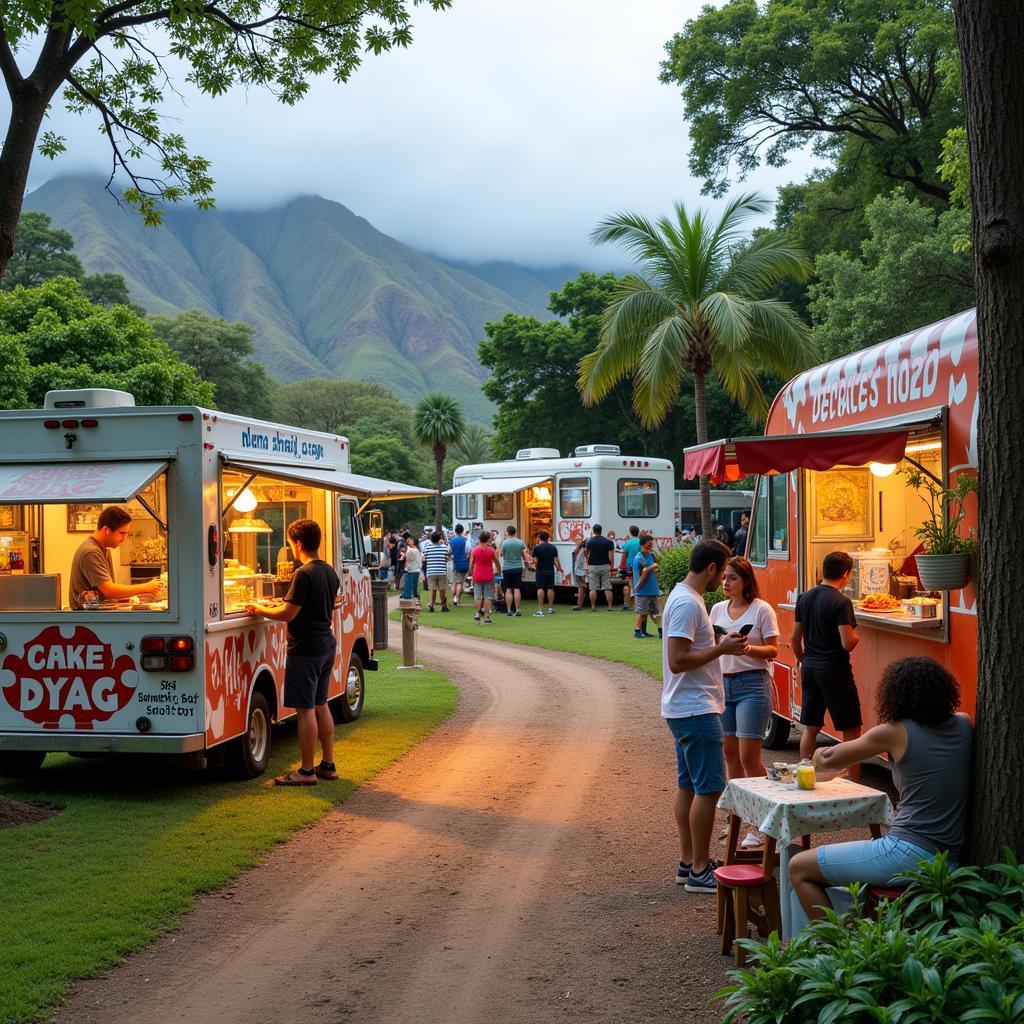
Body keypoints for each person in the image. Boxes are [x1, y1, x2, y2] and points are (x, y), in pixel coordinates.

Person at [789, 657, 973, 922]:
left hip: (907, 852)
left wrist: (816, 753)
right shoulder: (964, 723)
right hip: (950, 856)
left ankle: (844, 948)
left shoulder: (894, 732)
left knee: (798, 867)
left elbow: (829, 759)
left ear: (894, 694)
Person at [662, 539, 748, 893]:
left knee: (689, 786)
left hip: (684, 707)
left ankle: (688, 863)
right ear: (711, 568)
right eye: (722, 571)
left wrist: (715, 638)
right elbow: (677, 660)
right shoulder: (687, 602)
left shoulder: (685, 597)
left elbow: (688, 647)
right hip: (695, 707)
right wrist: (722, 648)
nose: (723, 579)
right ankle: (699, 870)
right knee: (709, 790)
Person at [245, 519, 341, 786]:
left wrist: (258, 608)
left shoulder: (304, 574)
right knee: (321, 704)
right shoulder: (329, 571)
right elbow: (325, 605)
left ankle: (307, 771)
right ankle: (328, 764)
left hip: (306, 648)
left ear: (297, 543)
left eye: (290, 543)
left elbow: (288, 613)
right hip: (325, 643)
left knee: (305, 709)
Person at [710, 556, 780, 850]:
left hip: (752, 683)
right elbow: (712, 646)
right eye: (724, 577)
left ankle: (760, 824)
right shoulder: (716, 609)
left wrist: (747, 648)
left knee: (749, 756)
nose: (726, 583)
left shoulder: (761, 609)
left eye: (732, 578)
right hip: (723, 684)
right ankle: (738, 815)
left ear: (746, 581)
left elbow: (773, 650)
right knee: (729, 754)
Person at [792, 551, 862, 780]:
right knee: (850, 729)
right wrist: (857, 637)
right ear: (846, 574)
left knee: (811, 726)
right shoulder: (841, 602)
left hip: (810, 666)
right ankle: (854, 781)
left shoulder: (805, 597)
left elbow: (794, 638)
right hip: (834, 669)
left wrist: (802, 658)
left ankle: (805, 774)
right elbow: (847, 642)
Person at [70, 505, 162, 609]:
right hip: (87, 617)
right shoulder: (91, 552)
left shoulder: (103, 549)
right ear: (106, 530)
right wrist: (145, 587)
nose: (124, 538)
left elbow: (106, 594)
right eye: (122, 533)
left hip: (95, 610)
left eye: (127, 534)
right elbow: (109, 591)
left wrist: (127, 598)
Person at [631, 533, 662, 639]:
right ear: (642, 545)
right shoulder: (639, 557)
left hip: (653, 589)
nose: (651, 547)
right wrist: (653, 566)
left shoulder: (651, 555)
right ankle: (637, 631)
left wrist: (655, 566)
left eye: (651, 544)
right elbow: (646, 571)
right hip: (642, 590)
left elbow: (654, 567)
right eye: (649, 545)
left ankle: (659, 630)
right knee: (641, 612)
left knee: (655, 612)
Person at [469, 529, 501, 623]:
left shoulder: (474, 550)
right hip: (488, 574)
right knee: (488, 596)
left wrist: (469, 572)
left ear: (479, 539)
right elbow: (496, 562)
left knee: (478, 596)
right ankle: (487, 617)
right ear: (488, 540)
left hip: (477, 574)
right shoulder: (491, 550)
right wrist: (499, 571)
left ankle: (477, 614)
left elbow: (471, 564)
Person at [530, 529, 563, 616]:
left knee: (540, 588)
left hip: (540, 570)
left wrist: (532, 561)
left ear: (539, 538)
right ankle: (550, 608)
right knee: (550, 588)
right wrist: (559, 568)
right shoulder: (553, 548)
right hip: (550, 570)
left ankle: (540, 609)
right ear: (548, 538)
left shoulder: (537, 548)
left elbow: (536, 561)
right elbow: (556, 560)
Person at [584, 523, 616, 611]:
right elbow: (611, 556)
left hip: (593, 566)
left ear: (593, 531)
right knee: (607, 588)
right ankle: (609, 606)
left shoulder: (590, 541)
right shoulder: (607, 541)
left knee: (593, 588)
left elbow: (585, 552)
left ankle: (593, 606)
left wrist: (587, 560)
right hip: (605, 566)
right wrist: (611, 566)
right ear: (601, 531)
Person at [499, 525, 527, 617]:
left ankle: (509, 610)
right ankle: (518, 609)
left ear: (507, 532)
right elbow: (523, 554)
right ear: (515, 532)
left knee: (508, 589)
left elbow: (501, 554)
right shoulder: (520, 542)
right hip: (518, 567)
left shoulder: (504, 543)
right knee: (517, 588)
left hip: (507, 568)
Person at [422, 529, 451, 612]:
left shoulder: (428, 548)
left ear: (431, 539)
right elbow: (447, 558)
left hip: (431, 571)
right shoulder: (444, 548)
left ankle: (431, 604)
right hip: (442, 571)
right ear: (440, 538)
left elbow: (424, 558)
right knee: (442, 589)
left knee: (432, 589)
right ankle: (443, 605)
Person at [619, 524, 641, 612]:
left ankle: (626, 605)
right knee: (640, 584)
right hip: (640, 566)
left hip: (630, 567)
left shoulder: (628, 543)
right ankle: (639, 605)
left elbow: (624, 556)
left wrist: (621, 566)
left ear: (630, 533)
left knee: (628, 585)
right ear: (638, 532)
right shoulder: (641, 542)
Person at [449, 523, 470, 607]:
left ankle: (454, 598)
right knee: (460, 582)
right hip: (464, 563)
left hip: (454, 563)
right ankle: (457, 599)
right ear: (462, 531)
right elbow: (468, 553)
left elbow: (449, 553)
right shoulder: (466, 541)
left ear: (455, 531)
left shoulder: (451, 541)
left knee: (454, 582)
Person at [401, 535, 422, 602]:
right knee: (414, 586)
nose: (409, 542)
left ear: (414, 542)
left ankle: (408, 601)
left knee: (408, 586)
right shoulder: (417, 550)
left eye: (411, 541)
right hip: (416, 570)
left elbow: (409, 559)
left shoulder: (411, 550)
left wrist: (404, 555)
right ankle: (415, 599)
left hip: (411, 570)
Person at [570, 532, 588, 611]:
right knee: (583, 587)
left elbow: (574, 552)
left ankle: (579, 605)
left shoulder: (582, 551)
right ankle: (580, 605)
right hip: (583, 571)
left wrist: (579, 545)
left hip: (581, 571)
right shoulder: (585, 550)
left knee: (581, 587)